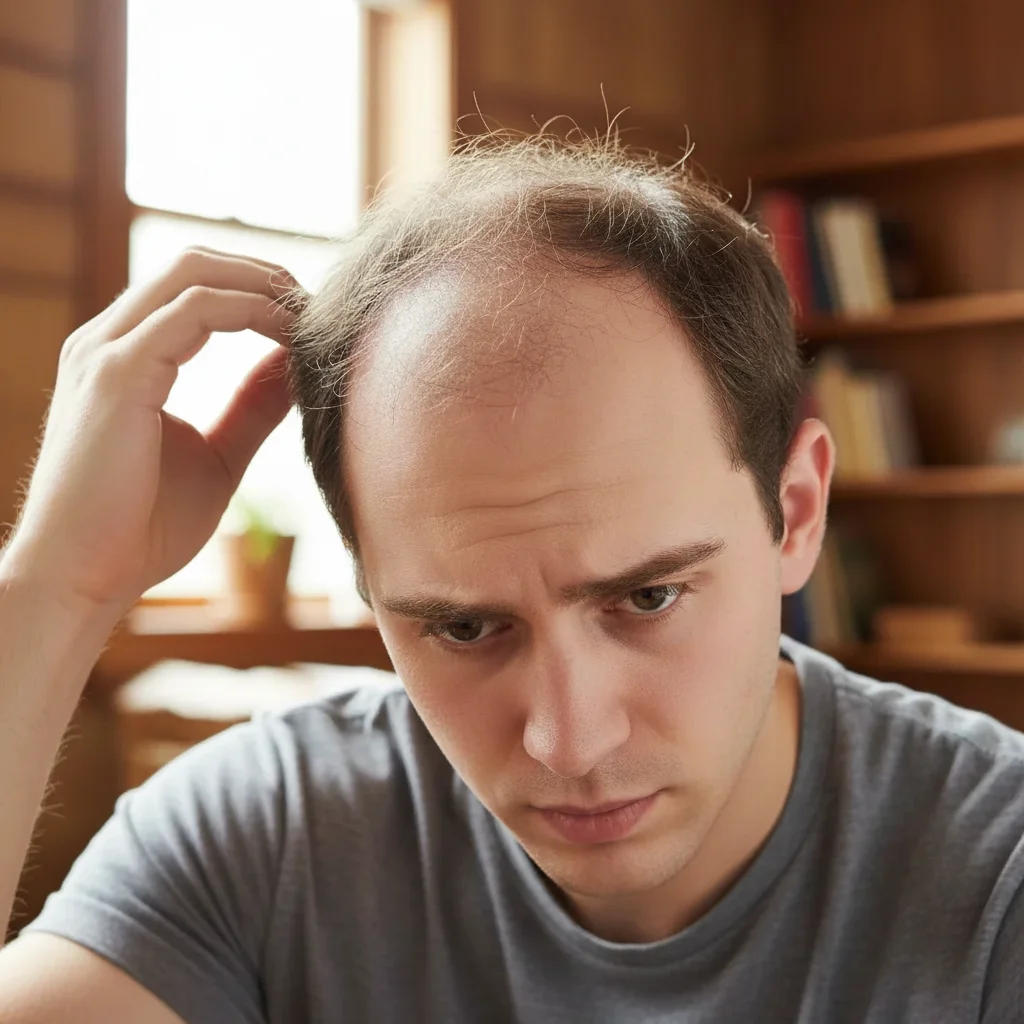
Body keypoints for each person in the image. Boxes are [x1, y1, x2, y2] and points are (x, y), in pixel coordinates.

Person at [0, 136, 1021, 1024]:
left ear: (792, 513)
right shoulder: (270, 834)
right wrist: (57, 589)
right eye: (461, 626)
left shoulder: (997, 880)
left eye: (648, 597)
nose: (569, 741)